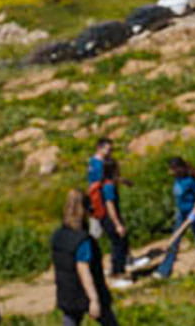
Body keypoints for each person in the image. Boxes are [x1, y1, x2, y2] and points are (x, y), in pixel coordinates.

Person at [50, 190, 119, 326]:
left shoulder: (57, 236)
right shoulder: (83, 240)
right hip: (86, 292)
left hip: (67, 291)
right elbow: (83, 269)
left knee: (70, 320)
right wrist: (94, 299)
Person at [157, 155, 195, 278]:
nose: (171, 172)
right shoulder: (177, 179)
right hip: (181, 213)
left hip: (192, 213)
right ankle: (164, 271)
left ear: (180, 168)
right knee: (175, 240)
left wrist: (194, 213)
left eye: (173, 169)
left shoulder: (190, 181)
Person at [83, 137, 131, 260]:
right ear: (99, 148)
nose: (111, 152)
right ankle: (117, 262)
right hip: (101, 202)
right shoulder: (98, 164)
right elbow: (103, 181)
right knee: (114, 232)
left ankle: (126, 257)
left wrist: (121, 180)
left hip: (99, 201)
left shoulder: (95, 162)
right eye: (108, 149)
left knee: (113, 232)